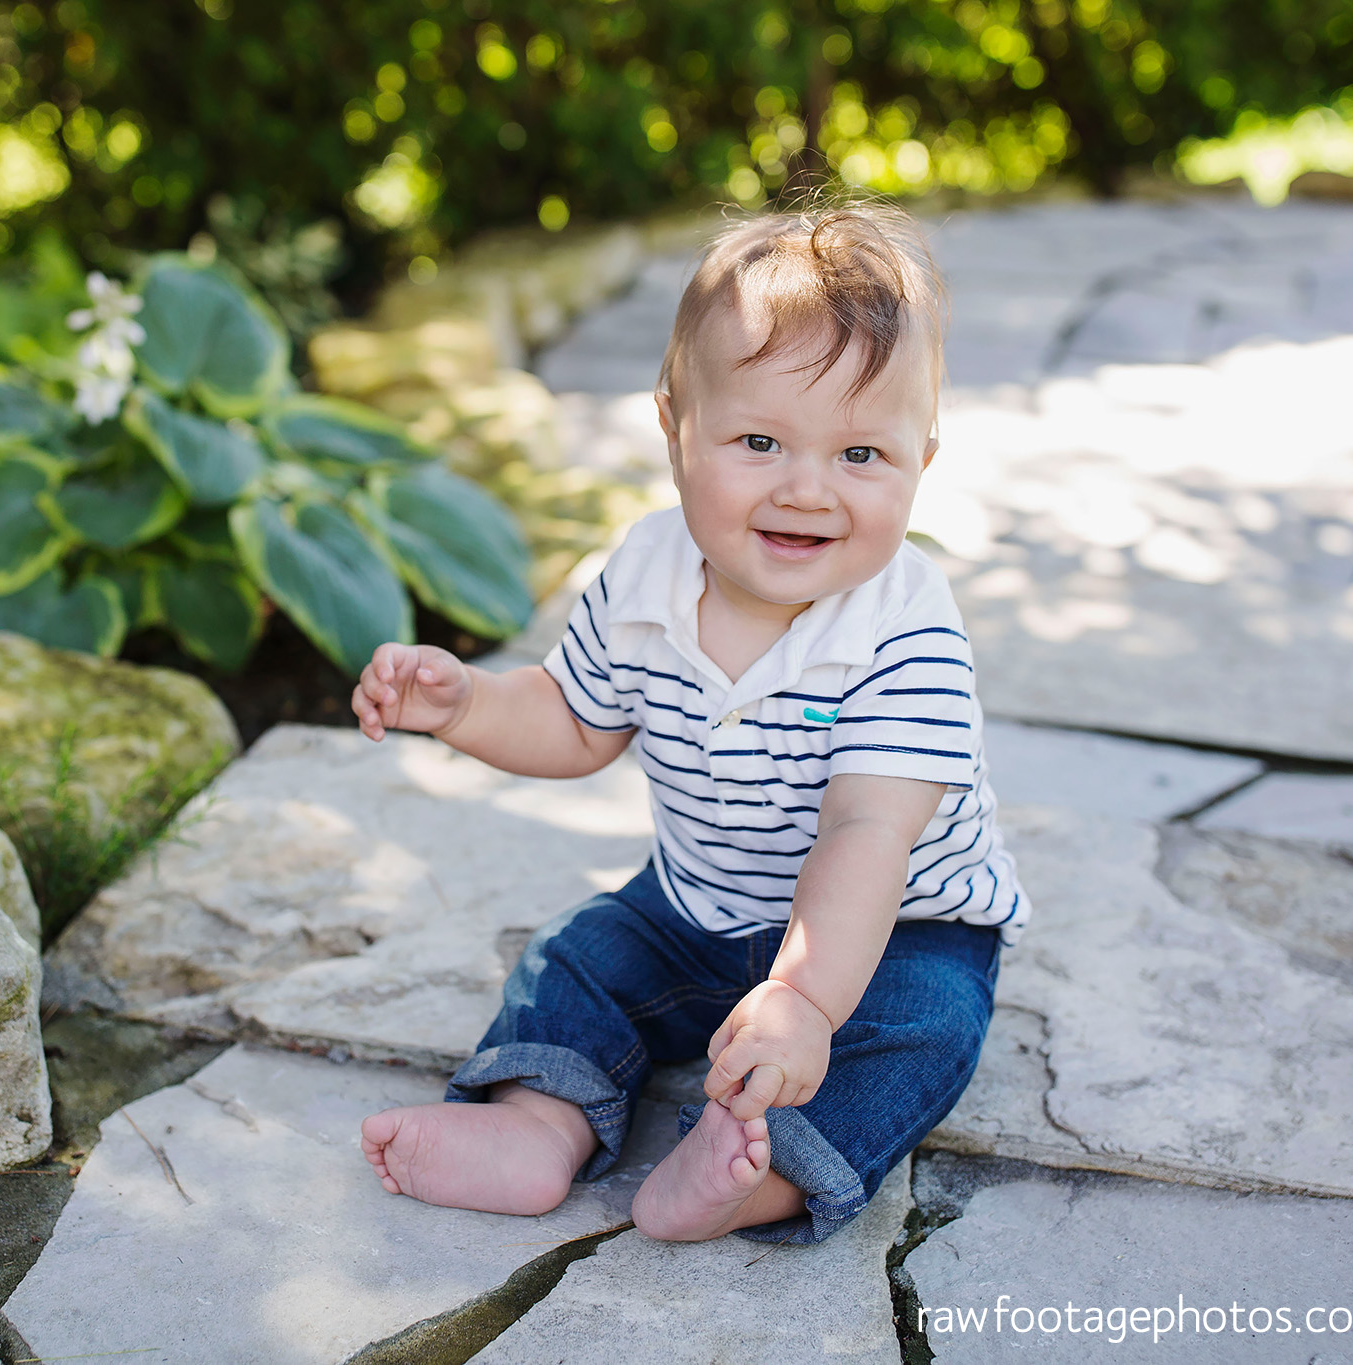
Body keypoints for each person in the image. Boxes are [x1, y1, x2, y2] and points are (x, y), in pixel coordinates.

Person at [350, 202, 1028, 1245]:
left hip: (893, 931)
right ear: (673, 432)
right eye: (758, 441)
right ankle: (538, 1123)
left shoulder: (904, 629)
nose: (807, 489)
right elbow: (576, 724)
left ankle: (759, 1178)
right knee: (576, 957)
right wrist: (467, 704)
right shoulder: (645, 575)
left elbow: (865, 836)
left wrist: (802, 1002)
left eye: (860, 456)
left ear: (920, 460)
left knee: (922, 1034)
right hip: (696, 904)